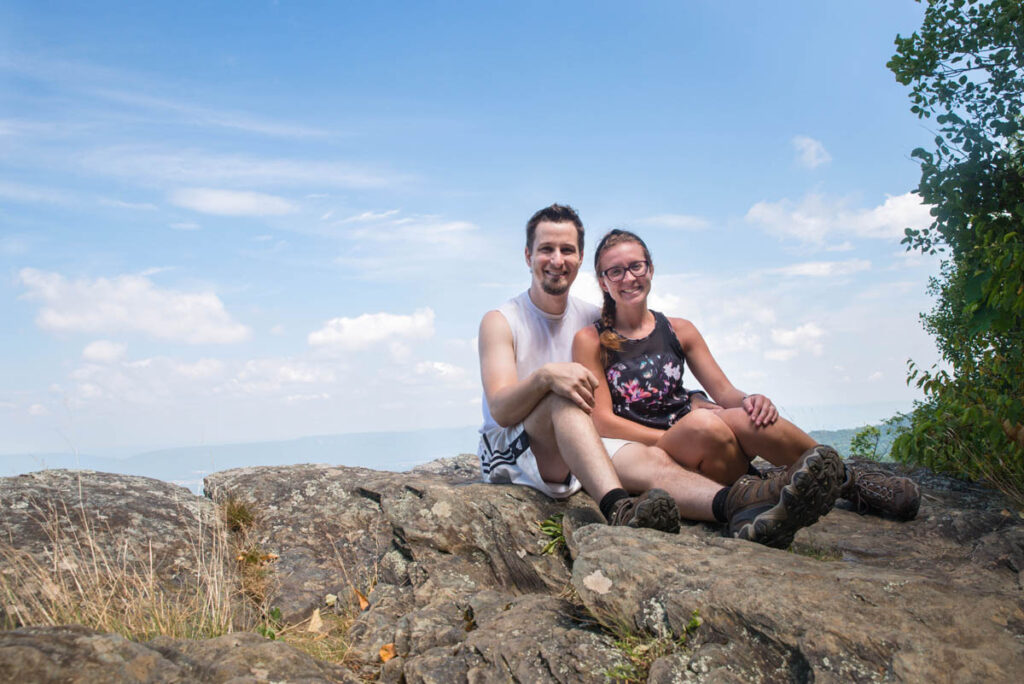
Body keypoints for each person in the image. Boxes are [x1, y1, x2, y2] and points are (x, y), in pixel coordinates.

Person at [477, 204, 849, 548]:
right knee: (563, 396)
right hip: (523, 445)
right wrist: (545, 377)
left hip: (586, 439)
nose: (557, 260)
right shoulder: (502, 320)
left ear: (579, 259)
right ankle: (619, 508)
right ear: (528, 256)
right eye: (546, 249)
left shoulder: (594, 317)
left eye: (567, 250)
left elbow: (644, 365)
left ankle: (745, 503)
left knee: (657, 462)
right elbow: (501, 409)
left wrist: (695, 400)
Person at [572, 228, 921, 521]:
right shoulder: (592, 340)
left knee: (749, 417)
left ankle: (851, 482)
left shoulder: (680, 330)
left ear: (650, 269)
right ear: (602, 282)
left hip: (707, 440)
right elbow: (602, 421)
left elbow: (724, 392)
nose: (628, 278)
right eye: (614, 271)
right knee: (704, 423)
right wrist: (666, 439)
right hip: (656, 447)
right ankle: (769, 486)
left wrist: (751, 400)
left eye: (636, 266)